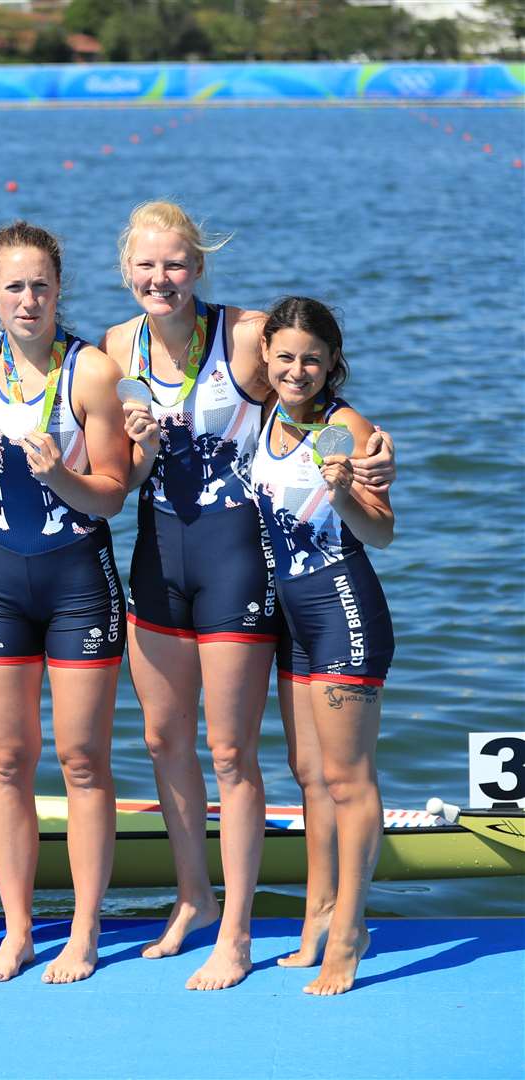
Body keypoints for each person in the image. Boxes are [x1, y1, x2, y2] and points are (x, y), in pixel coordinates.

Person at [102, 201, 396, 989]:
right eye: (146, 265)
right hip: (158, 554)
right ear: (126, 269)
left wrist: (367, 460)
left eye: (174, 264)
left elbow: (319, 401)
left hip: (243, 566)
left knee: (236, 752)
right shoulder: (117, 343)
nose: (159, 279)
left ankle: (250, 929)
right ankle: (196, 900)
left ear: (199, 266)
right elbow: (75, 391)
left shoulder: (248, 335)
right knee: (167, 743)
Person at [0, 221, 130, 985]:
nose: (29, 299)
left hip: (77, 579)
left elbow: (115, 494)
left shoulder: (91, 372)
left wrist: (62, 476)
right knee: (6, 759)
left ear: (61, 289)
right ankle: (18, 930)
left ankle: (84, 931)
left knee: (83, 760)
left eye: (42, 286)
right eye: (15, 286)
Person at [252, 297, 395, 996]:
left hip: (343, 609)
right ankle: (317, 915)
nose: (297, 369)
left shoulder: (348, 428)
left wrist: (343, 494)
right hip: (293, 618)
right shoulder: (267, 417)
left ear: (333, 363)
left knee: (347, 779)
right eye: (285, 356)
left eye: (312, 358)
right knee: (308, 772)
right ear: (267, 357)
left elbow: (382, 534)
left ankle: (350, 932)